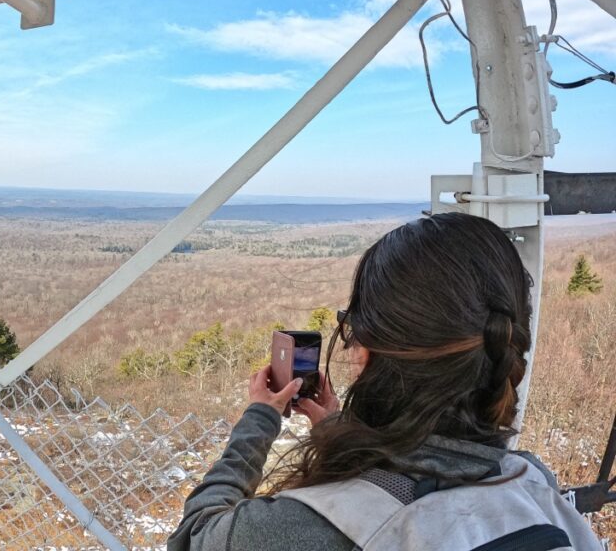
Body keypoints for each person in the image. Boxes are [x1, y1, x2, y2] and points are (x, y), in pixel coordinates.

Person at [168, 213, 604, 550]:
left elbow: (193, 534)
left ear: (366, 354)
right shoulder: (532, 483)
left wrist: (260, 417)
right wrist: (339, 433)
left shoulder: (306, 529)